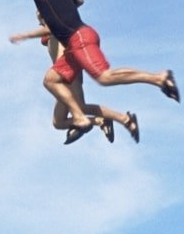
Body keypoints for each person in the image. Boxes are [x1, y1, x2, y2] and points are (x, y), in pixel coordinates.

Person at [0, 0, 178, 144]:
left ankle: (159, 78)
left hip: (79, 37)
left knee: (104, 77)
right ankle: (83, 119)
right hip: (73, 48)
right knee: (50, 80)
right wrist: (66, 0)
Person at [9, 8, 140, 144]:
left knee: (80, 108)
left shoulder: (57, 26)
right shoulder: (50, 30)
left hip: (68, 71)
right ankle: (101, 120)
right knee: (59, 122)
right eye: (37, 14)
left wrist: (25, 35)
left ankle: (123, 118)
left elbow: (61, 41)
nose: (38, 15)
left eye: (41, 13)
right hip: (61, 74)